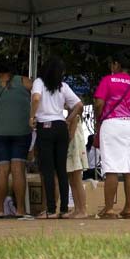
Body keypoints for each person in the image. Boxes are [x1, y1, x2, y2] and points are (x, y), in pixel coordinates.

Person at [93, 52, 130, 219]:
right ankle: (129, 208)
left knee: (111, 168)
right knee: (129, 167)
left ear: (116, 64)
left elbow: (99, 103)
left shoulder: (108, 80)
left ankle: (109, 209)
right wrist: (128, 113)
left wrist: (99, 117)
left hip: (112, 124)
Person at [30, 56, 84, 219]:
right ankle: (64, 209)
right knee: (61, 169)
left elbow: (36, 98)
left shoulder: (39, 82)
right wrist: (68, 119)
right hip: (61, 127)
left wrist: (32, 116)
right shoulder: (63, 86)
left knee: (48, 170)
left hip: (45, 126)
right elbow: (79, 105)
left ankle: (51, 209)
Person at [0, 58, 33, 218]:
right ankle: (20, 209)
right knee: (18, 169)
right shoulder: (25, 82)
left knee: (1, 171)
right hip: (21, 131)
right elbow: (39, 97)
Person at [65, 115, 90, 218]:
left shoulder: (75, 116)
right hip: (70, 151)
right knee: (72, 181)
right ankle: (77, 209)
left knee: (77, 180)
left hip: (75, 150)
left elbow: (71, 135)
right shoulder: (69, 116)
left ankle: (83, 209)